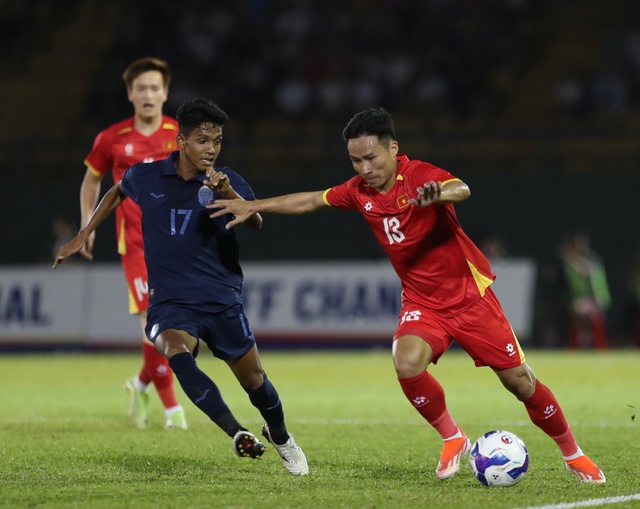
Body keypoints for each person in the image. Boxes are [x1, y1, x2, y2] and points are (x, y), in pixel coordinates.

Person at [208, 107, 605, 483]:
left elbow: (460, 187)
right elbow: (312, 200)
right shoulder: (358, 190)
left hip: (470, 299)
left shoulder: (419, 176)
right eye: (355, 161)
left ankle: (572, 454)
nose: (365, 168)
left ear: (393, 149)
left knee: (520, 382)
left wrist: (441, 195)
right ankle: (453, 437)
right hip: (422, 303)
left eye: (372, 158)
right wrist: (253, 204)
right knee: (405, 361)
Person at [54, 98, 308, 476]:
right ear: (181, 141)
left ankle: (283, 438)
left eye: (218, 141)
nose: (212, 150)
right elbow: (117, 190)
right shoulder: (148, 176)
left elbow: (254, 222)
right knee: (175, 351)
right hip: (171, 302)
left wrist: (229, 196)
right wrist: (84, 232)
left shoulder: (228, 181)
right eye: (204, 141)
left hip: (221, 300)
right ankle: (235, 432)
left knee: (255, 380)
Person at [80, 57, 186, 430]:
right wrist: (87, 223)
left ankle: (140, 384)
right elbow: (92, 181)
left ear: (165, 92)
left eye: (155, 87)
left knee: (181, 328)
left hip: (177, 240)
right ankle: (173, 410)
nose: (148, 94)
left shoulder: (180, 133)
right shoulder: (111, 139)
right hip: (137, 243)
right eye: (140, 88)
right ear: (130, 93)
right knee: (152, 323)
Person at [559, 232, 611, 349]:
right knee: (578, 319)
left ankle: (599, 347)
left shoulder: (593, 258)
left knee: (597, 322)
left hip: (597, 296)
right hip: (581, 298)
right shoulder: (571, 262)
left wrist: (572, 260)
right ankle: (578, 345)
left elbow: (586, 272)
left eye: (582, 244)